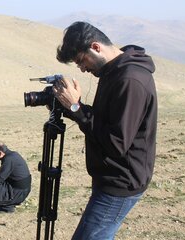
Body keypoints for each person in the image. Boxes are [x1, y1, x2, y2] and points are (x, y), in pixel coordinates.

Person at [52, 22, 157, 239]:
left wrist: (76, 108)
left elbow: (116, 143)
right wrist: (74, 106)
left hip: (120, 181)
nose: (82, 68)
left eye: (81, 60)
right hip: (112, 177)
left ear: (96, 47)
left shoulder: (130, 79)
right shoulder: (114, 72)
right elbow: (106, 122)